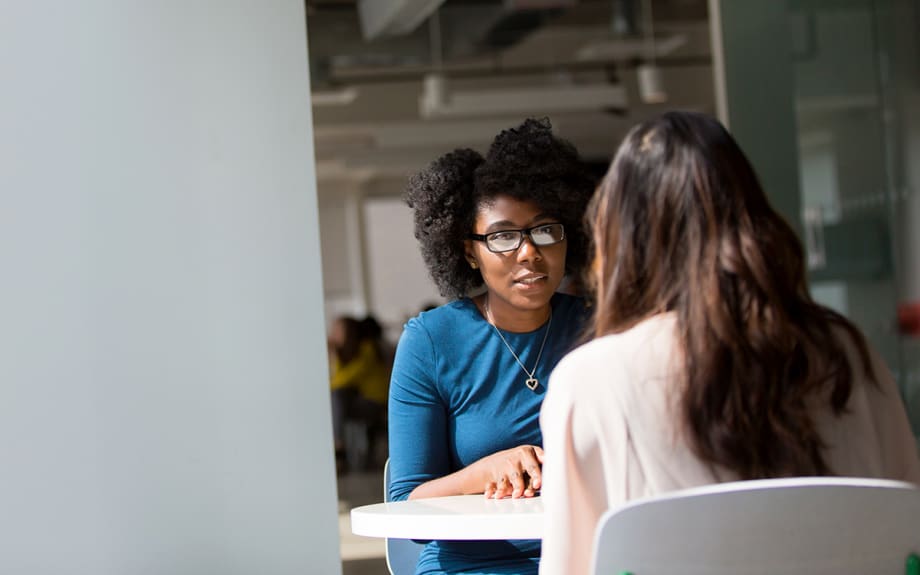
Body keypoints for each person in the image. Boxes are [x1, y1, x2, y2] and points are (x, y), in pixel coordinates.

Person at [538, 111, 920, 575]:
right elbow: (907, 533)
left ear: (623, 239)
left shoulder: (591, 381)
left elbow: (569, 567)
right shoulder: (846, 352)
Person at [388, 117, 596, 575]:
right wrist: (486, 472)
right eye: (503, 236)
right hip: (470, 567)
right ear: (468, 252)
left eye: (545, 230)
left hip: (588, 559)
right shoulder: (431, 342)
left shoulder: (598, 329)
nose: (528, 252)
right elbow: (405, 507)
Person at [329, 314, 390, 473]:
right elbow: (340, 379)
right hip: (362, 401)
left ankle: (338, 446)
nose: (333, 334)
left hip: (376, 403)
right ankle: (338, 447)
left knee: (336, 397)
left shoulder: (367, 349)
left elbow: (344, 380)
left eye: (337, 330)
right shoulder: (348, 354)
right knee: (337, 398)